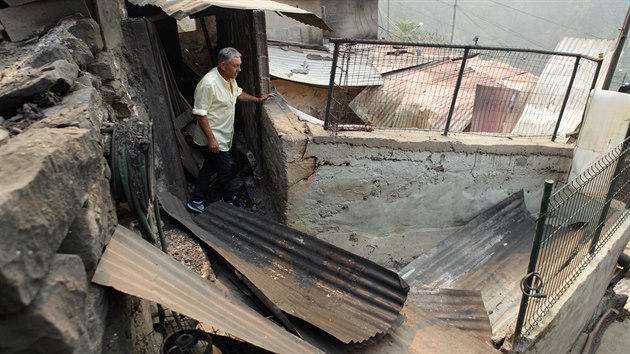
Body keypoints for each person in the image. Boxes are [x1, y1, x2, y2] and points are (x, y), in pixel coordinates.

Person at [186, 47, 274, 213]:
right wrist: (212, 140)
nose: (239, 70)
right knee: (225, 169)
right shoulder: (208, 84)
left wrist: (257, 100)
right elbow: (200, 114)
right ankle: (229, 199)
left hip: (223, 135)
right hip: (213, 137)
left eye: (239, 65)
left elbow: (238, 94)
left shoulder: (229, 78)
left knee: (210, 167)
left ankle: (196, 200)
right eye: (235, 66)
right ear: (222, 65)